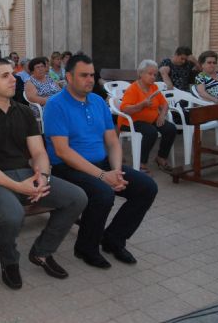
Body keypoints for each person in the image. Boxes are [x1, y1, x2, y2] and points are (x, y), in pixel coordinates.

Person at [0, 58, 87, 290]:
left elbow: (39, 151)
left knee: (77, 198)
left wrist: (43, 176)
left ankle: (42, 252)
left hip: (28, 174)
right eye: (5, 75)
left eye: (12, 74)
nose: (14, 79)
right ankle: (9, 261)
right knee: (12, 215)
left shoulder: (25, 112)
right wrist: (20, 187)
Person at [45, 54, 158, 269]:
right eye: (83, 75)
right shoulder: (55, 105)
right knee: (103, 193)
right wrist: (102, 177)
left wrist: (115, 172)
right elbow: (63, 151)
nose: (90, 79)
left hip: (102, 164)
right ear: (69, 77)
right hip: (67, 168)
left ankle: (113, 239)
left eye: (92, 75)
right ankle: (86, 248)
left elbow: (113, 141)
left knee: (146, 187)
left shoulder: (97, 101)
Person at [119, 59, 176, 173]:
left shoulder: (153, 87)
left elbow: (164, 104)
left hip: (151, 119)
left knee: (171, 129)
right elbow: (125, 109)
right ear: (140, 73)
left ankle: (161, 157)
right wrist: (142, 105)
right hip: (131, 121)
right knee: (151, 132)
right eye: (150, 74)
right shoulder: (133, 89)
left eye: (155, 74)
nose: (153, 77)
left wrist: (162, 115)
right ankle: (142, 163)